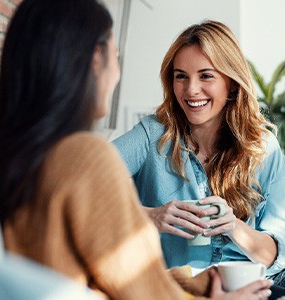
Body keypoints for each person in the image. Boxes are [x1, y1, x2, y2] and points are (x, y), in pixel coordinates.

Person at [0, 1, 273, 299]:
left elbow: (109, 273)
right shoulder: (87, 158)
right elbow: (143, 290)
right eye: (116, 56)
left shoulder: (9, 154)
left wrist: (199, 284)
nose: (191, 89)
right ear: (97, 60)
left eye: (206, 76)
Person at [113, 20, 285, 288]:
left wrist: (234, 227)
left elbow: (272, 254)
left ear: (231, 82)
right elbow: (81, 184)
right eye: (181, 76)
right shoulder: (153, 135)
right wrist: (149, 215)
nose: (191, 90)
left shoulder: (263, 146)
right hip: (174, 290)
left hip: (246, 291)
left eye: (206, 75)